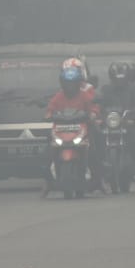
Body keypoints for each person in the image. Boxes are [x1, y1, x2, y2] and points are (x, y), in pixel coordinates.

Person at [43, 60, 104, 197]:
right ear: (62, 84)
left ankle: (98, 179)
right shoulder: (58, 96)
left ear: (78, 84)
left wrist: (93, 114)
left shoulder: (84, 95)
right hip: (60, 130)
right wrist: (48, 115)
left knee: (96, 144)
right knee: (47, 148)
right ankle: (48, 181)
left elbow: (93, 107)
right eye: (67, 84)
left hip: (83, 128)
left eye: (73, 84)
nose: (70, 87)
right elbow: (50, 109)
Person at [96, 61, 135, 193]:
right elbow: (99, 103)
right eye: (116, 79)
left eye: (122, 79)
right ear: (112, 77)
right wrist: (97, 113)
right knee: (94, 144)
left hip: (130, 124)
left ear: (127, 77)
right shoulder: (105, 90)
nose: (119, 82)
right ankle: (97, 177)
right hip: (111, 124)